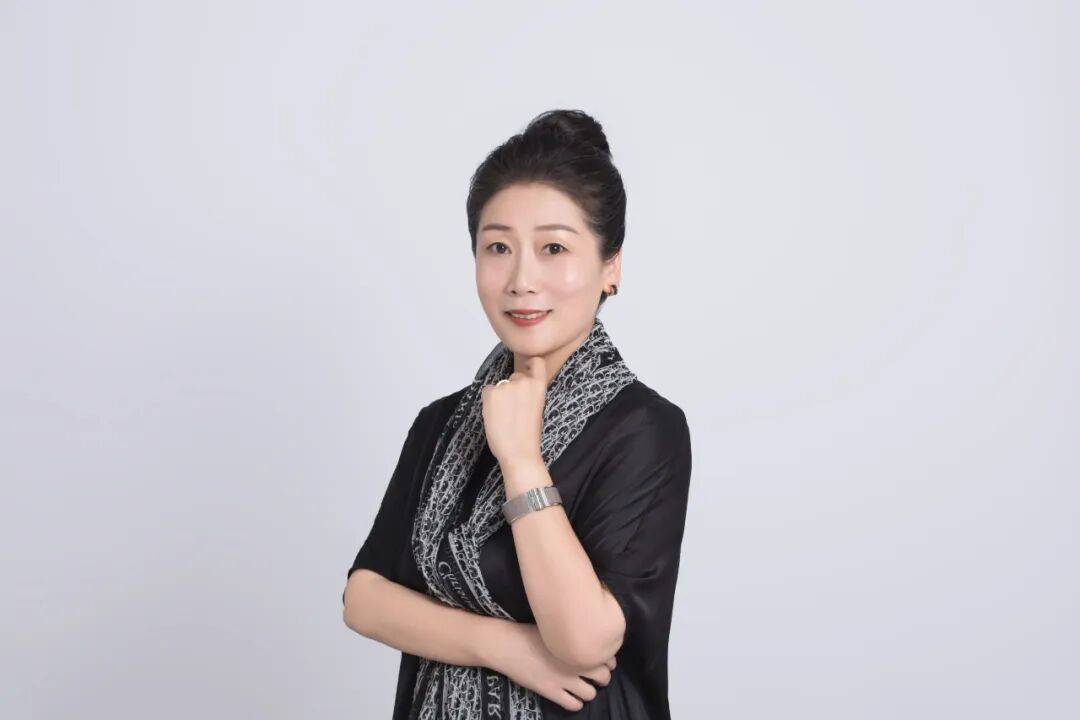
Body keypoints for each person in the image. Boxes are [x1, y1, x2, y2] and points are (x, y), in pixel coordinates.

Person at [342, 109, 693, 719]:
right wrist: (506, 648)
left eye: (554, 248)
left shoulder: (644, 429)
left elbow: (583, 640)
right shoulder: (442, 423)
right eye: (498, 247)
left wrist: (522, 459)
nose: (522, 279)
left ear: (610, 267)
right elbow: (364, 598)